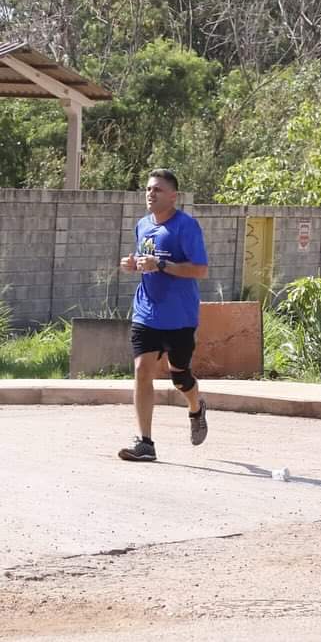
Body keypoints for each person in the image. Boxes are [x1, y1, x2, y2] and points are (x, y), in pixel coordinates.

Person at [117, 169, 209, 462]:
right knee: (142, 370)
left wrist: (162, 265)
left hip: (179, 316)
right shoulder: (142, 225)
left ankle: (196, 407)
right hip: (147, 311)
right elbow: (147, 263)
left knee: (179, 376)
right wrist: (134, 265)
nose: (150, 193)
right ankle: (145, 443)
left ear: (173, 196)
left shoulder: (186, 227)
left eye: (157, 189)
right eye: (147, 189)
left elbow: (200, 270)